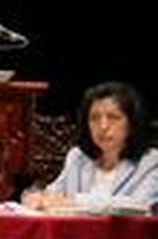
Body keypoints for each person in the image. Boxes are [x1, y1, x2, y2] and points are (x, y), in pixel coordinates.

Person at [23, 81, 157, 213]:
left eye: (113, 117)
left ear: (132, 124)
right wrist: (37, 198)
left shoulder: (151, 162)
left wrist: (75, 201)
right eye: (94, 118)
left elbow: (139, 204)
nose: (103, 126)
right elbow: (53, 194)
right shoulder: (78, 157)